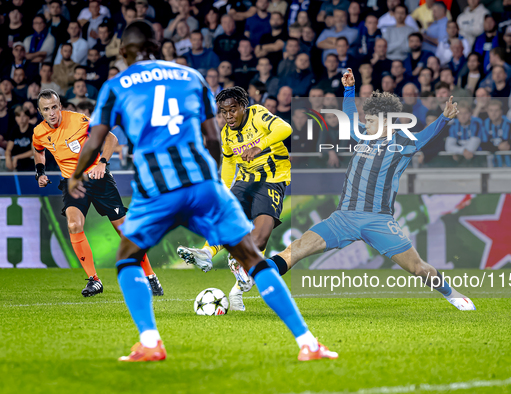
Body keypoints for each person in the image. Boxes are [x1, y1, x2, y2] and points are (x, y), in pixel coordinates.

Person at [68, 21, 336, 362]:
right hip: (202, 184)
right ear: (160, 43)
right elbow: (213, 139)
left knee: (127, 258)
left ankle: (151, 342)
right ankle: (308, 343)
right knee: (252, 258)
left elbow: (95, 139)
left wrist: (78, 175)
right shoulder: (190, 77)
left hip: (157, 187)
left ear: (123, 52)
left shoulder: (116, 85)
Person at [266, 68, 474, 311]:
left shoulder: (403, 143)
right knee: (297, 248)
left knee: (418, 268)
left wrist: (445, 118)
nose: (367, 122)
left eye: (372, 119)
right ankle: (255, 276)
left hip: (378, 220)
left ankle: (452, 294)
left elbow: (427, 135)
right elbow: (350, 114)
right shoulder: (362, 134)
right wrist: (349, 89)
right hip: (343, 217)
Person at [33, 88, 163, 297]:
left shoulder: (78, 120)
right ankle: (94, 280)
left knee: (125, 232)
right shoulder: (39, 132)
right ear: (41, 112)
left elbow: (110, 138)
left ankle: (150, 276)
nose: (52, 113)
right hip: (73, 182)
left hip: (98, 177)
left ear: (61, 107)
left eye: (55, 107)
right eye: (46, 109)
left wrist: (102, 162)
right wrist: (40, 172)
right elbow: (38, 150)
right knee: (74, 224)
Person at [177, 84, 292, 310]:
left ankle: (238, 288)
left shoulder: (258, 114)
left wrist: (259, 145)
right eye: (224, 112)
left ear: (243, 106)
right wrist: (224, 190)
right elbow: (229, 162)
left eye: (233, 110)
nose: (229, 116)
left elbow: (285, 128)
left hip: (272, 179)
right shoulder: (226, 134)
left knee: (259, 240)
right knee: (225, 217)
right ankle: (207, 253)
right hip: (245, 181)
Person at [480, 99, 511, 167]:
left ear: (501, 112)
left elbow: (507, 144)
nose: (493, 113)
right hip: (490, 163)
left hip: (509, 162)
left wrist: (492, 148)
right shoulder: (484, 124)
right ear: (487, 111)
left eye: (496, 110)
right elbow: (484, 145)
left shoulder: (509, 124)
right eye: (491, 110)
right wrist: (497, 148)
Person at [5, 105, 35, 172]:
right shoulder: (14, 130)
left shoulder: (33, 130)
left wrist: (17, 157)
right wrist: (7, 158)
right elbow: (8, 149)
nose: (21, 119)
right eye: (18, 116)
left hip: (30, 163)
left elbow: (34, 151)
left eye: (24, 116)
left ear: (28, 117)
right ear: (15, 118)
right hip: (17, 164)